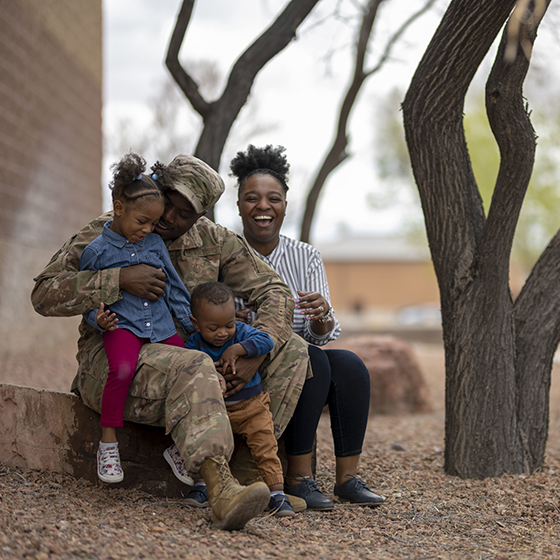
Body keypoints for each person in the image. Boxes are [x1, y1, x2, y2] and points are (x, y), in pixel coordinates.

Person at [31, 153, 310, 530]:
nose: (167, 219)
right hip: (119, 365)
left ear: (200, 217)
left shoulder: (214, 240)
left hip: (189, 357)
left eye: (183, 213)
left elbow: (276, 291)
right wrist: (117, 279)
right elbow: (45, 294)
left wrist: (251, 355)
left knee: (292, 348)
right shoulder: (109, 231)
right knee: (194, 363)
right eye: (167, 202)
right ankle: (220, 489)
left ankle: (248, 474)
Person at [230, 144, 386, 509]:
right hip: (250, 362)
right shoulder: (227, 253)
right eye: (252, 198)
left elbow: (324, 334)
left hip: (305, 358)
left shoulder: (305, 256)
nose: (263, 206)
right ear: (238, 204)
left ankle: (347, 478)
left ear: (285, 205)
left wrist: (322, 316)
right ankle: (299, 477)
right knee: (312, 359)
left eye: (274, 198)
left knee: (348, 364)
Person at [79, 154, 195, 485]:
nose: (147, 230)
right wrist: (96, 320)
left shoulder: (155, 244)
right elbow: (85, 295)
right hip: (122, 325)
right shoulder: (97, 251)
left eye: (152, 224)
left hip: (160, 326)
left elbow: (172, 286)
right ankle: (109, 444)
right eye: (142, 221)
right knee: (123, 369)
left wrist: (190, 325)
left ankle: (177, 447)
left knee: (191, 366)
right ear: (118, 208)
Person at [185, 282, 296, 518]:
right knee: (209, 446)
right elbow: (188, 363)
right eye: (213, 328)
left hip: (252, 407)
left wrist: (238, 349)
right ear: (196, 323)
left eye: (228, 325)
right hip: (216, 412)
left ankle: (277, 493)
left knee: (266, 447)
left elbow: (267, 341)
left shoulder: (242, 332)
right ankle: (204, 486)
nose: (223, 333)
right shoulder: (194, 343)